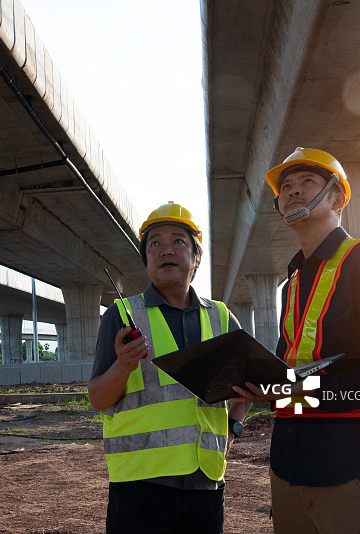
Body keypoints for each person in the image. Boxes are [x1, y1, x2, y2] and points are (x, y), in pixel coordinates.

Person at [231, 147, 360, 533]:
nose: (293, 191)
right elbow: (296, 376)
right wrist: (270, 388)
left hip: (351, 465)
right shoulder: (295, 282)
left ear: (338, 198)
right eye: (286, 186)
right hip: (291, 467)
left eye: (307, 182)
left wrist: (299, 389)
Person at [89, 201, 249, 534]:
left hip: (205, 483)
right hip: (139, 485)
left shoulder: (221, 317)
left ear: (196, 257)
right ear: (146, 260)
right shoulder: (121, 315)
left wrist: (234, 426)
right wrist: (122, 366)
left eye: (178, 241)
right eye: (155, 244)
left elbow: (244, 383)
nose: (166, 250)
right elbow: (98, 398)